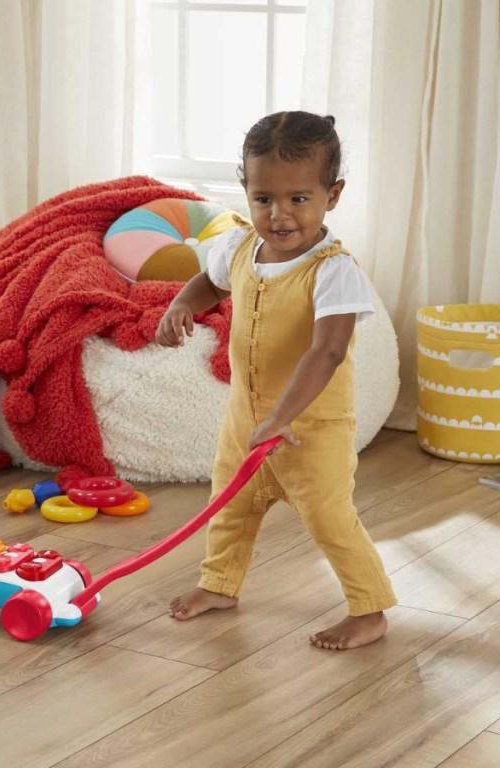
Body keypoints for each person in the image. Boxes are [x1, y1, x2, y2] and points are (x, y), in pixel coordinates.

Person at [155, 111, 396, 650]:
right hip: (245, 419)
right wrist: (181, 305)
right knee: (230, 505)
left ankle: (370, 609)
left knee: (330, 518)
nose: (280, 214)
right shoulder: (239, 247)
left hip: (311, 430)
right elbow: (208, 283)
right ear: (246, 190)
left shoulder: (334, 270)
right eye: (263, 199)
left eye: (298, 199)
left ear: (331, 195)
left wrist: (283, 417)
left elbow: (328, 350)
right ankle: (219, 584)